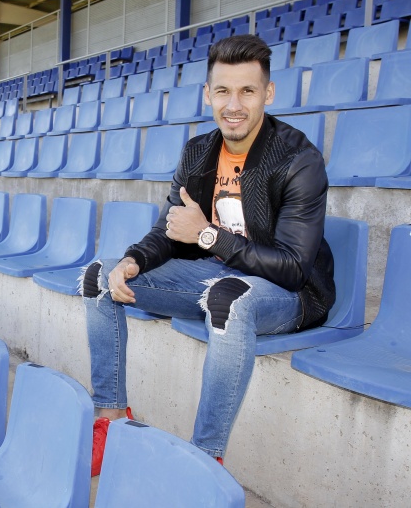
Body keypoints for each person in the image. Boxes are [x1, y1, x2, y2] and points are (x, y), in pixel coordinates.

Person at [81, 34, 335, 476]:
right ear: (208, 94)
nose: (233, 105)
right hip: (215, 275)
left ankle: (204, 461)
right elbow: (169, 229)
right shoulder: (198, 152)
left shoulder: (298, 160)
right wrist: (134, 260)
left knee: (228, 298)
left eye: (247, 91)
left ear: (268, 94)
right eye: (223, 91)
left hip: (288, 294)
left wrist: (208, 236)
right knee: (100, 277)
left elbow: (294, 268)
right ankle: (111, 417)